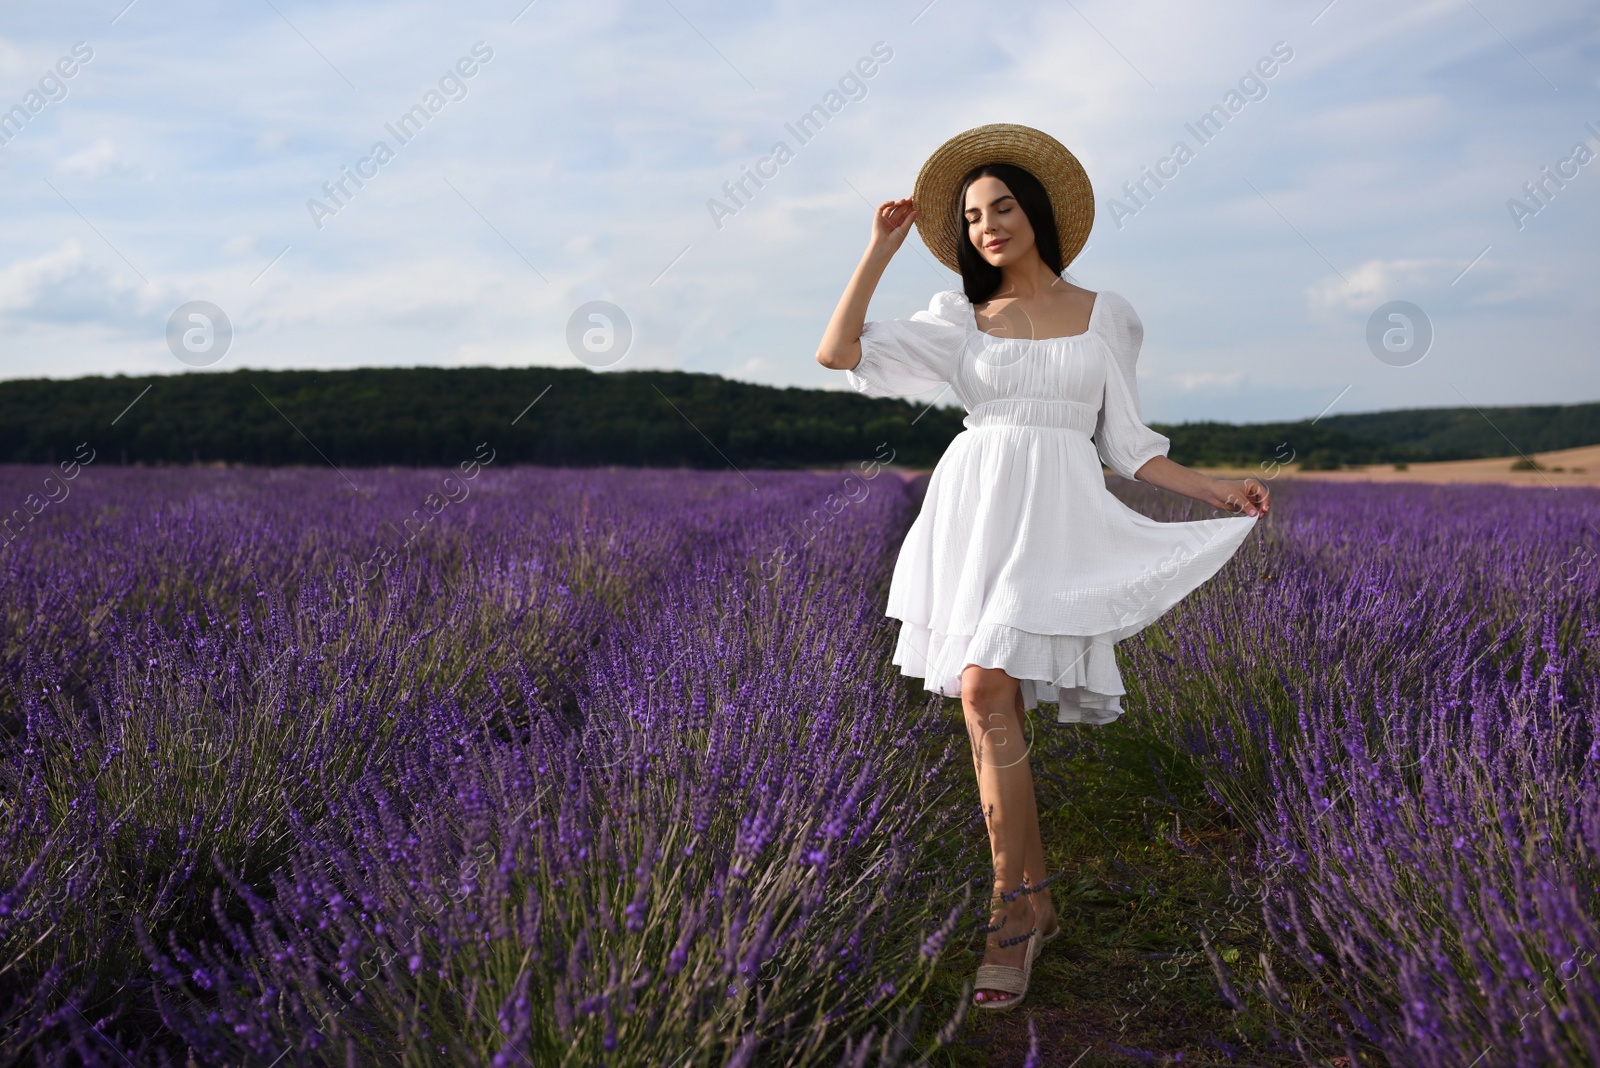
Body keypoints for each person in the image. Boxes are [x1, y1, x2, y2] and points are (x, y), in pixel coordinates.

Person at [815, 124, 1270, 1011]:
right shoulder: (960, 321)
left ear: (1038, 215)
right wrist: (879, 249)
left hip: (1056, 514)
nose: (988, 226)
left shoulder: (1108, 314)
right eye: (974, 216)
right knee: (988, 697)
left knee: (987, 688)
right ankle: (1023, 905)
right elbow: (838, 354)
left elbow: (1129, 445)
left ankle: (1018, 909)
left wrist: (1217, 490)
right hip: (973, 510)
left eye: (1004, 207)